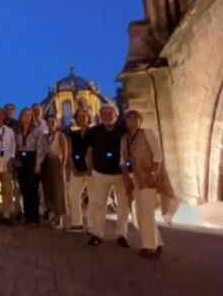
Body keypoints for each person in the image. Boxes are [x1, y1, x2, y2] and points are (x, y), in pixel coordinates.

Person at [121, 109, 178, 258]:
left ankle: (150, 247)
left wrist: (153, 174)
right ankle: (158, 242)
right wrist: (127, 178)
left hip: (148, 177)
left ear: (140, 120)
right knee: (140, 213)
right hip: (135, 179)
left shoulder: (147, 133)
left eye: (135, 118)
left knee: (147, 212)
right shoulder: (125, 138)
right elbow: (122, 160)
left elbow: (158, 155)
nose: (132, 121)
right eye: (129, 118)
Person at [86, 103, 130, 247]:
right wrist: (92, 168)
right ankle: (98, 234)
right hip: (100, 173)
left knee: (123, 205)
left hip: (120, 174)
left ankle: (121, 235)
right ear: (100, 115)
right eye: (104, 113)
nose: (106, 116)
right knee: (100, 204)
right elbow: (90, 151)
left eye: (110, 113)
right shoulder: (94, 131)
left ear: (116, 115)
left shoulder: (124, 131)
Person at [36, 114, 68, 228]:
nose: (51, 124)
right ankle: (52, 213)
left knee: (58, 190)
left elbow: (65, 152)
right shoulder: (44, 137)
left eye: (53, 121)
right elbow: (40, 151)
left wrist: (62, 167)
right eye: (49, 122)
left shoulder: (60, 135)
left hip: (56, 162)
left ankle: (60, 217)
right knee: (47, 189)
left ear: (56, 123)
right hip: (46, 163)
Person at [66, 109, 92, 232]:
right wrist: (73, 168)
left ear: (88, 117)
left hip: (92, 170)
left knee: (93, 197)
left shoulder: (95, 132)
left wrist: (91, 168)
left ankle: (92, 226)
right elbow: (70, 153)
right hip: (77, 168)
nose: (81, 118)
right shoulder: (73, 134)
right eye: (79, 116)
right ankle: (77, 223)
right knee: (72, 195)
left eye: (84, 116)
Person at [14, 108, 40, 226]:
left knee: (32, 190)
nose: (27, 117)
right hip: (21, 160)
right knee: (24, 189)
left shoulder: (36, 130)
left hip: (33, 159)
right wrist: (16, 160)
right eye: (24, 115)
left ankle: (34, 218)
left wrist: (38, 163)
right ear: (21, 116)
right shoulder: (17, 131)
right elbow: (15, 146)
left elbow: (41, 148)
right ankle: (27, 216)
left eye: (29, 115)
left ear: (32, 117)